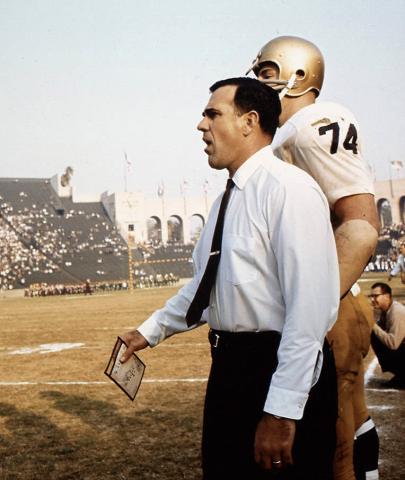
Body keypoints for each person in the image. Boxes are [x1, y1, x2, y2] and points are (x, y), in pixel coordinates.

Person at [119, 77, 340, 479]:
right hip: (229, 369)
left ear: (249, 121)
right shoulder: (227, 199)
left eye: (212, 114)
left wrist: (280, 411)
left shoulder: (288, 190)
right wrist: (147, 332)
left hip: (272, 368)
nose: (201, 125)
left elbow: (309, 311)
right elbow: (205, 287)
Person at [247, 36, 380, 480]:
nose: (258, 83)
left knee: (331, 445)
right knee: (352, 420)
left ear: (298, 76)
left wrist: (315, 306)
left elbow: (360, 225)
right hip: (338, 298)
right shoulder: (293, 132)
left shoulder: (314, 122)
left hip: (331, 303)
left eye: (266, 72)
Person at [369, 282, 405, 388]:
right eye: (371, 296)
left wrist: (372, 325)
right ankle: (401, 374)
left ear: (387, 296)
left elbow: (393, 344)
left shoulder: (397, 312)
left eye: (376, 296)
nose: (372, 300)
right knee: (375, 334)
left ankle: (402, 375)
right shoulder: (386, 311)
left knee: (375, 334)